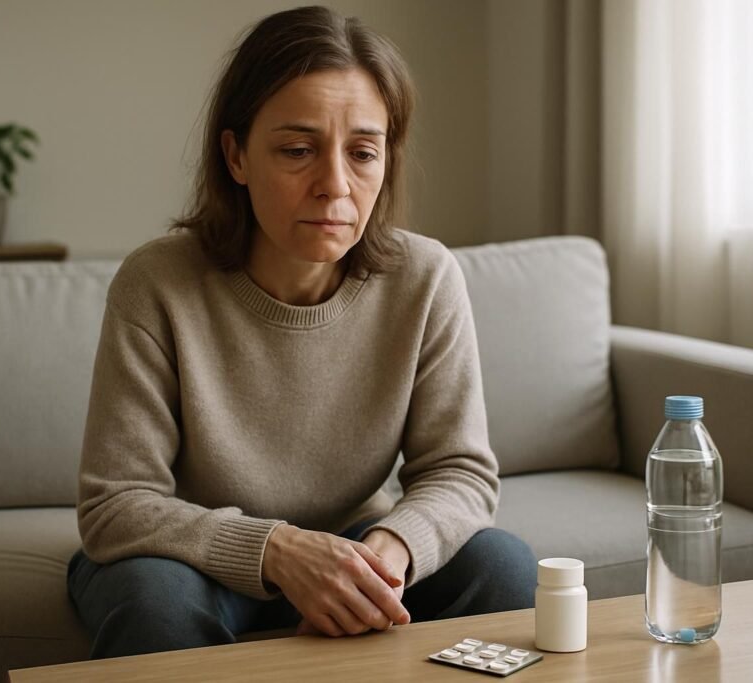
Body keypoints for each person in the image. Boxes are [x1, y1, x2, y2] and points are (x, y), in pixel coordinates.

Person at [67, 4, 536, 659]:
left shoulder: (425, 277)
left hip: (359, 541)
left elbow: (461, 472)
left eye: (363, 152)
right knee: (154, 604)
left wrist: (390, 548)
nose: (335, 185)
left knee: (504, 566)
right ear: (236, 155)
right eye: (297, 150)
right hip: (190, 557)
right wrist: (279, 549)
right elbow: (116, 503)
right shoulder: (156, 283)